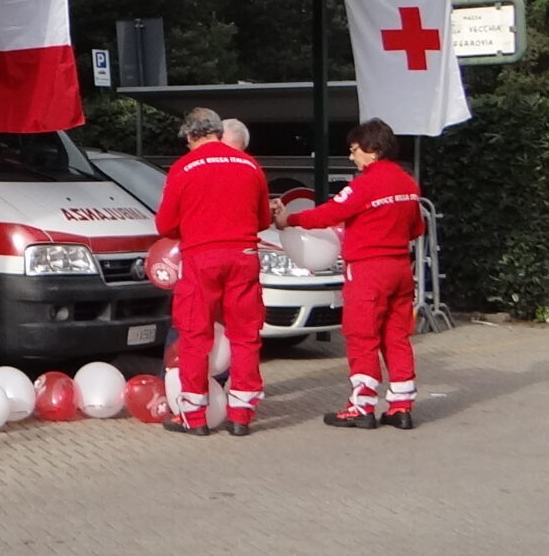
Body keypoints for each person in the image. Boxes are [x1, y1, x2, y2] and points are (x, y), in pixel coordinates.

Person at [276, 120, 424, 429]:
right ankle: (401, 406)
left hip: (368, 270)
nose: (352, 157)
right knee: (397, 337)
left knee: (361, 335)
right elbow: (417, 228)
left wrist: (289, 220)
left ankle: (362, 406)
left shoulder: (364, 185)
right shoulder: (408, 183)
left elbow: (328, 214)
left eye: (355, 150)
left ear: (373, 150)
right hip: (399, 268)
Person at [153, 106, 273, 437]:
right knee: (245, 336)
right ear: (218, 132)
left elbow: (165, 224)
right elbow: (263, 219)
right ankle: (241, 415)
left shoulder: (183, 167)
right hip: (243, 257)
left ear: (192, 135)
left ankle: (193, 417)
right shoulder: (249, 165)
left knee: (194, 336)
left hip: (201, 259)